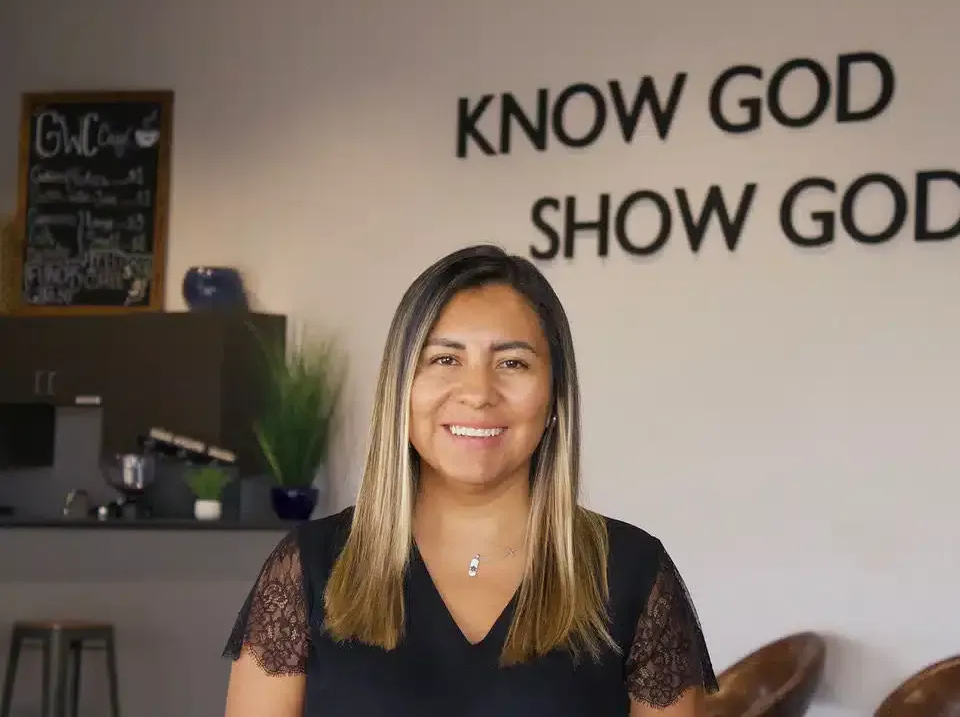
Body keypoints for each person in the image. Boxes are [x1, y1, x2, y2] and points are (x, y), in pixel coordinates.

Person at [222, 244, 719, 716]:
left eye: (512, 363)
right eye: (444, 359)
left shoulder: (633, 572)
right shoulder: (309, 568)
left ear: (554, 397)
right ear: (401, 389)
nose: (478, 392)